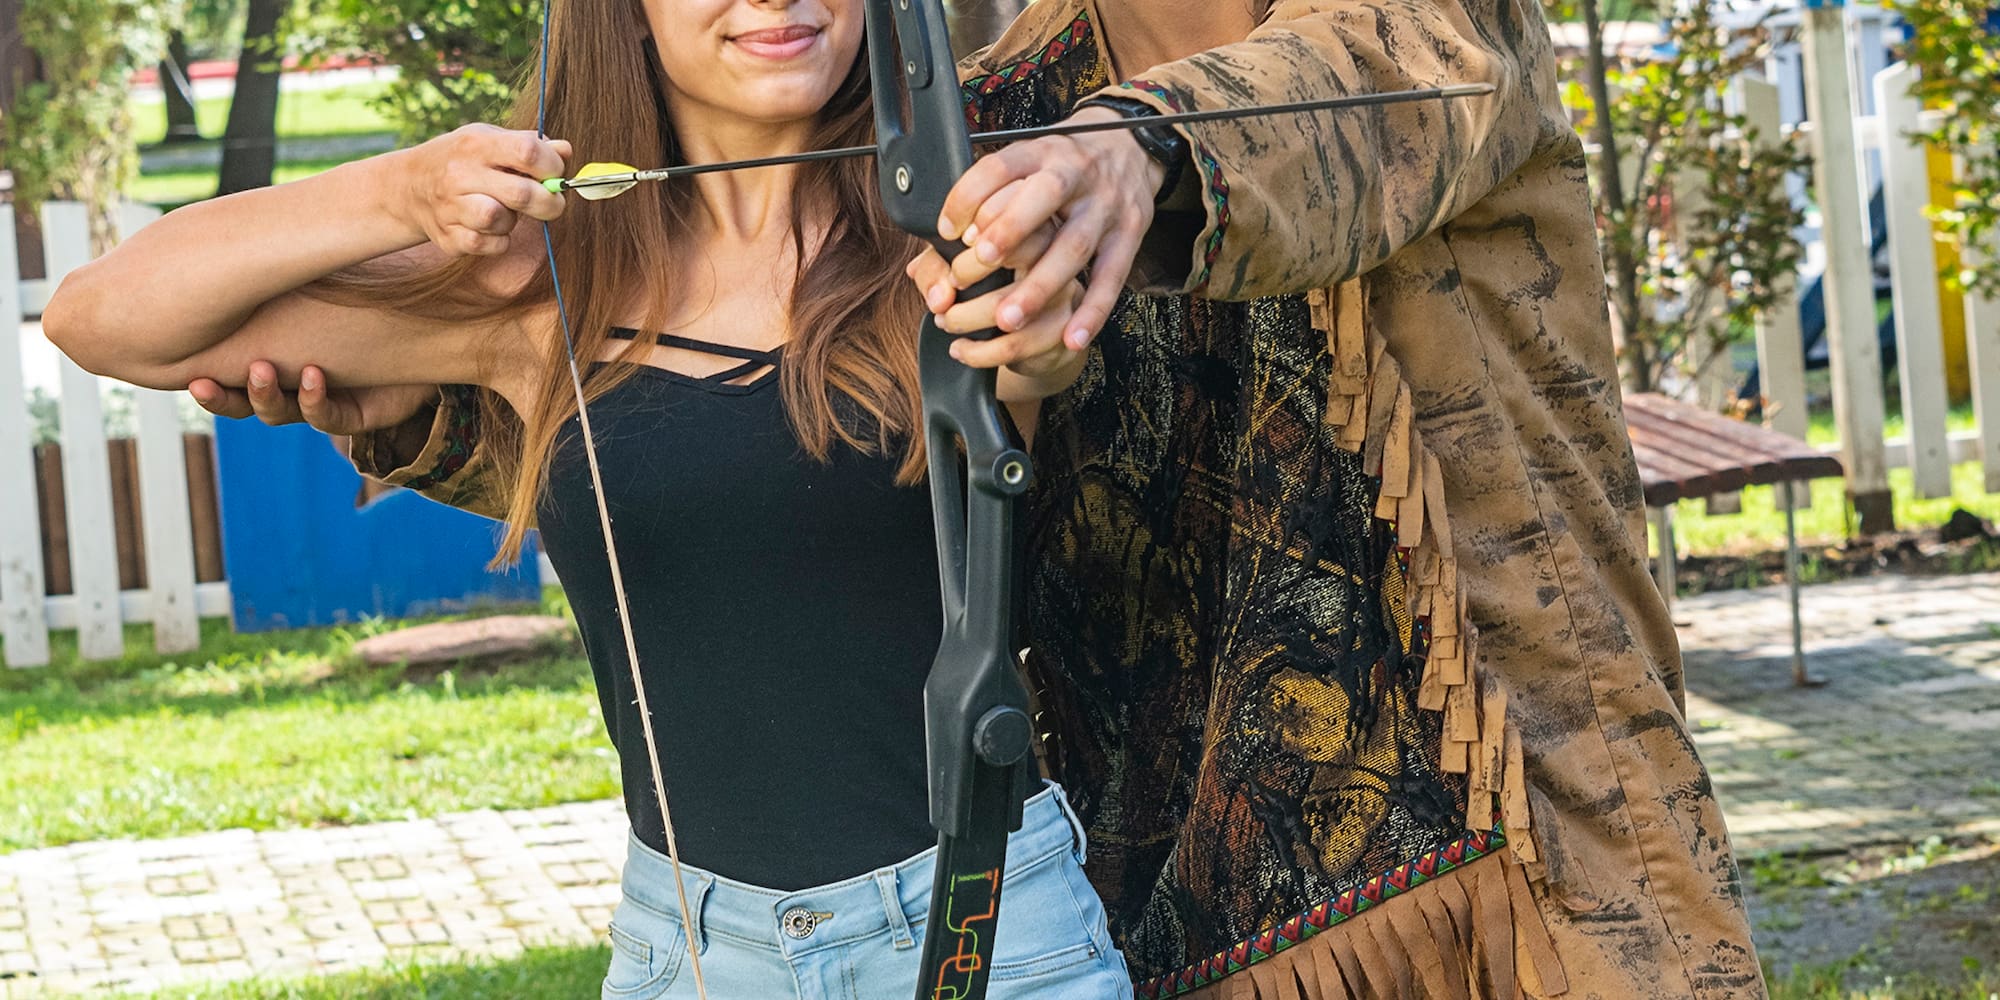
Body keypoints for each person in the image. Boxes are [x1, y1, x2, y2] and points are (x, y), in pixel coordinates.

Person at [193, 0, 1769, 997]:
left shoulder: (1431, 33)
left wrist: (1136, 153)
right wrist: (456, 400)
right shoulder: (982, 107)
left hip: (1513, 860)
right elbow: (798, 447)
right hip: (1156, 885)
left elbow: (1383, 89)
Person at [40, 0, 1136, 996]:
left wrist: (1037, 337)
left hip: (985, 931)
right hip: (693, 954)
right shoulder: (545, 288)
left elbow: (1032, 348)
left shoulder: (961, 239)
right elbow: (103, 319)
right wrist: (398, 191)